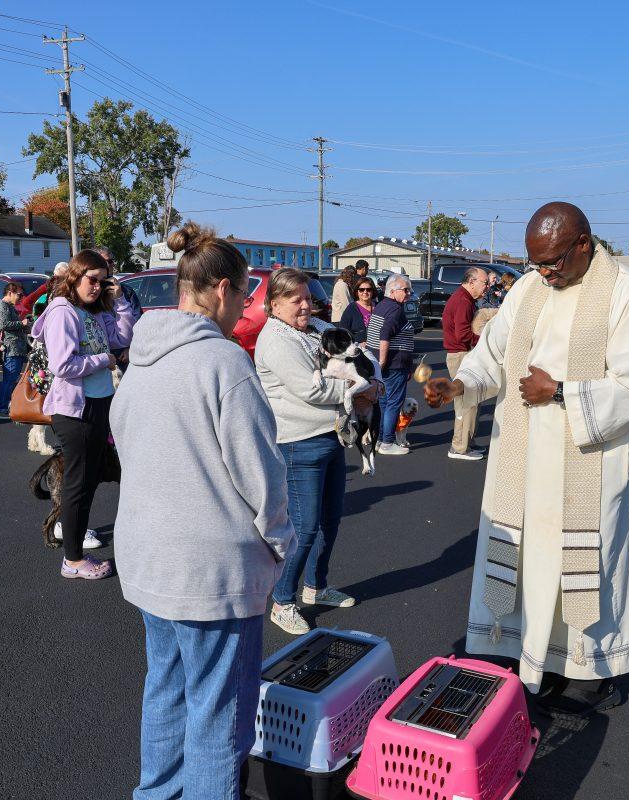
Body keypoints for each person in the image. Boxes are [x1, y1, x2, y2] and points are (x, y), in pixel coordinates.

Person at [425, 202, 629, 714]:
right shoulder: (530, 290)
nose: (545, 273)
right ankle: (527, 654)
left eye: (553, 261)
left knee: (585, 560)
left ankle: (583, 669)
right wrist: (461, 383)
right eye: (536, 263)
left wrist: (559, 392)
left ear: (584, 243)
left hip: (590, 460)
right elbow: (493, 354)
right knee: (530, 557)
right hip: (525, 459)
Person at [111, 223, 296, 799]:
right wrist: (281, 543)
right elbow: (261, 475)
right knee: (219, 715)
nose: (243, 308)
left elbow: (124, 438)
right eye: (243, 295)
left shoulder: (141, 358)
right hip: (212, 573)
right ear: (220, 289)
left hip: (148, 560)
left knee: (165, 692)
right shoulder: (223, 364)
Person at [254, 268, 355, 636]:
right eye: (295, 299)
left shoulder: (311, 328)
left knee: (330, 521)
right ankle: (283, 602)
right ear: (274, 304)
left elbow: (345, 357)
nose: (305, 304)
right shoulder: (278, 340)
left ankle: (317, 587)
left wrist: (357, 374)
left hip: (329, 436)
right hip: (299, 442)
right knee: (304, 527)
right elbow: (310, 390)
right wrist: (354, 389)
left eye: (307, 297)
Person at [30, 250, 136, 579]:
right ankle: (72, 560)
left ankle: (74, 553)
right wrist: (102, 361)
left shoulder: (94, 310)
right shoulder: (63, 311)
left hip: (100, 404)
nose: (97, 287)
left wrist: (118, 302)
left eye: (103, 282)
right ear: (75, 276)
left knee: (87, 483)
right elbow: (62, 365)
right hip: (76, 410)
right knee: (77, 485)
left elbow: (123, 339)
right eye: (92, 280)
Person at [442, 267, 491, 461]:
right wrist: (485, 340)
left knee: (470, 403)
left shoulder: (465, 299)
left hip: (461, 355)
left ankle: (465, 443)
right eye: (484, 282)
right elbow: (463, 335)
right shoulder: (463, 301)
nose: (487, 286)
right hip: (461, 356)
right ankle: (460, 448)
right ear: (471, 282)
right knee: (467, 404)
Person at [368, 274, 416, 456]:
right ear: (393, 290)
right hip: (394, 365)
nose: (409, 293)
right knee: (393, 403)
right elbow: (385, 333)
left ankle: (381, 439)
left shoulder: (381, 306)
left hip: (384, 366)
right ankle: (387, 442)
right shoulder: (395, 310)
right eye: (406, 290)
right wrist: (382, 359)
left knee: (384, 402)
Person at [0, 281, 31, 419]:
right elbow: (3, 324)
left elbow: (13, 325)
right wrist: (22, 323)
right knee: (9, 380)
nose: (21, 297)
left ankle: (6, 406)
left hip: (16, 348)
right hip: (10, 348)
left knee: (11, 379)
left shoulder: (9, 307)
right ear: (10, 293)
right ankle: (1, 409)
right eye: (19, 294)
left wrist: (26, 325)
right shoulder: (1, 306)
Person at [338, 275, 378, 343]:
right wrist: (357, 344)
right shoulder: (351, 308)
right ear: (357, 292)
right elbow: (343, 332)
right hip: (358, 349)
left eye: (368, 289)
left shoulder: (379, 307)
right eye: (361, 290)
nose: (365, 292)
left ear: (373, 291)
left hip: (376, 348)